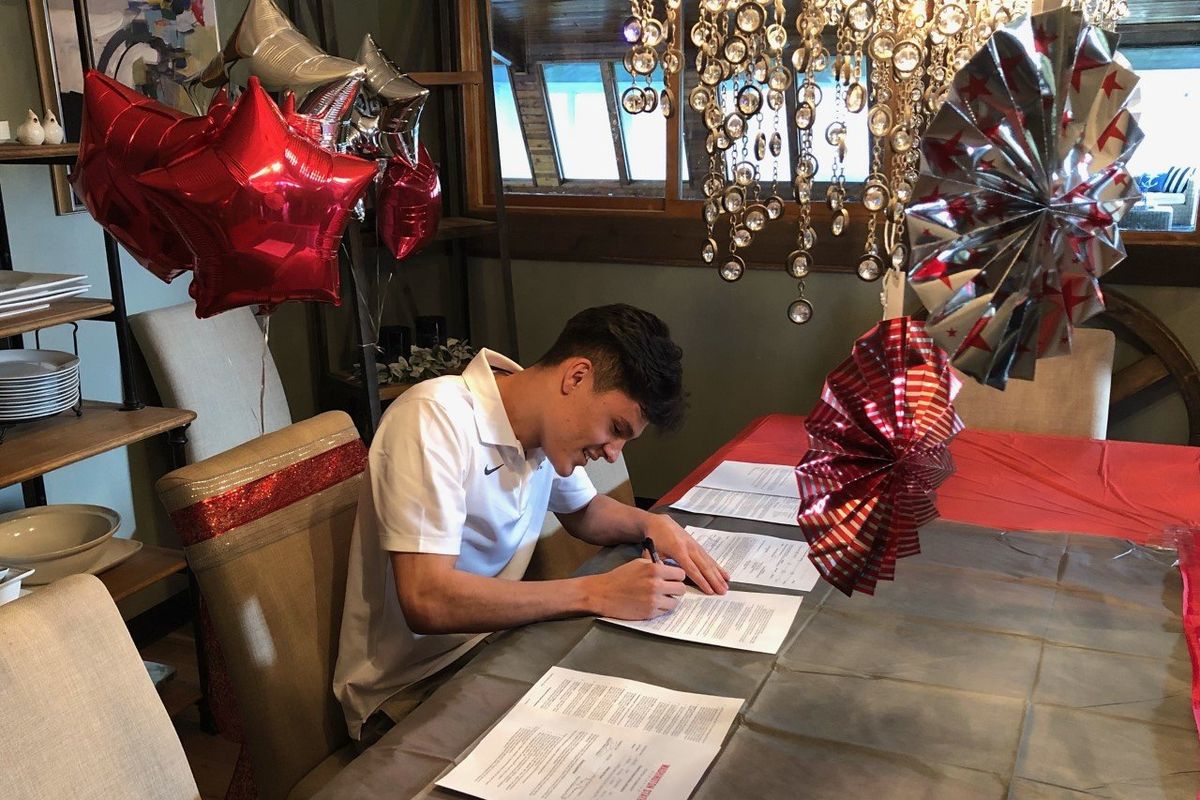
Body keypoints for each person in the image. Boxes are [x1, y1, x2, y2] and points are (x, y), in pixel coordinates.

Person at [334, 304, 729, 745]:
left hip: (492, 649)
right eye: (615, 428)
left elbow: (585, 513)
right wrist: (594, 592)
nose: (614, 453)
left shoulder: (540, 430)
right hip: (411, 687)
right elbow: (428, 599)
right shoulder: (433, 420)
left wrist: (654, 525)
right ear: (576, 377)